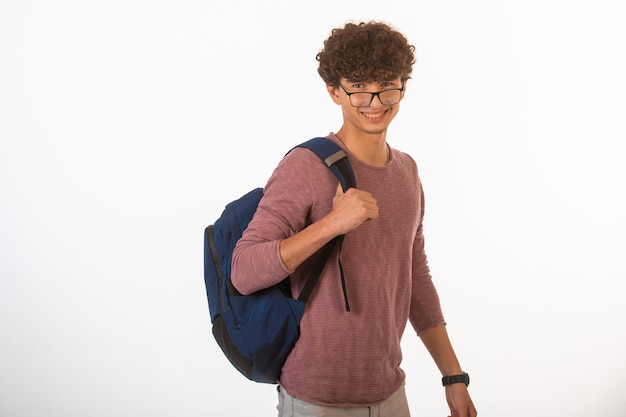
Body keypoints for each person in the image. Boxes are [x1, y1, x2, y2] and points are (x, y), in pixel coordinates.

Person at [232, 21, 477, 417]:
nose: (375, 99)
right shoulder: (306, 167)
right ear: (334, 90)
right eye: (359, 85)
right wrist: (331, 224)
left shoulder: (407, 172)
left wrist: (453, 376)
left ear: (403, 86)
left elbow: (416, 278)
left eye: (387, 84)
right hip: (315, 399)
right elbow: (243, 270)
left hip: (390, 393)